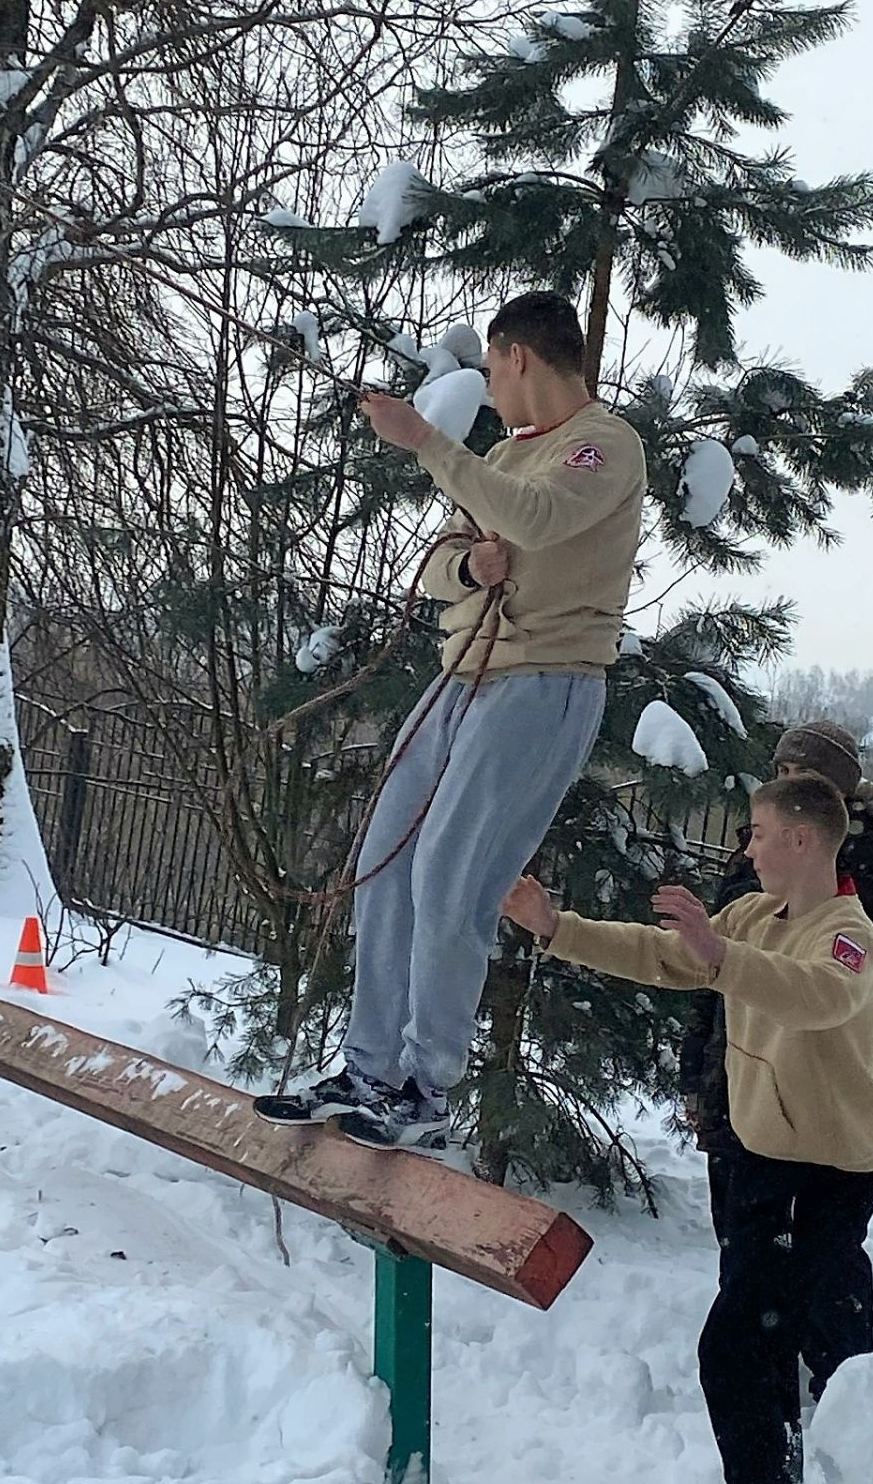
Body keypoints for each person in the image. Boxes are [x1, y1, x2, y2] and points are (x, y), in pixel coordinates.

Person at [255, 291, 645, 1148]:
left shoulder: (603, 444)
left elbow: (537, 516)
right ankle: (369, 1068)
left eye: (493, 371)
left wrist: (427, 442)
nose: (490, 391)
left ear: (517, 357)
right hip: (461, 675)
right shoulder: (503, 454)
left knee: (449, 874)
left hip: (542, 679)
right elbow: (437, 563)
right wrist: (469, 567)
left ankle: (427, 1089)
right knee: (387, 857)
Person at [504, 774, 873, 1484]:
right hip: (759, 1161)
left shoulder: (849, 936)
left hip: (824, 1177)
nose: (748, 848)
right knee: (762, 1343)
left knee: (732, 1345)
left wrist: (722, 956)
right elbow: (668, 955)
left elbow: (816, 996)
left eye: (758, 832)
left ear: (801, 839)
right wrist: (556, 926)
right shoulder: (752, 914)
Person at [680, 719, 873, 1397]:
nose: (788, 783)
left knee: (828, 1258)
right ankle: (762, 1365)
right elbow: (711, 969)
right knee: (744, 1242)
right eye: (784, 771)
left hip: (825, 1103)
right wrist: (698, 1068)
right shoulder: (753, 859)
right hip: (740, 1080)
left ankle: (845, 1380)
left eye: (804, 775)